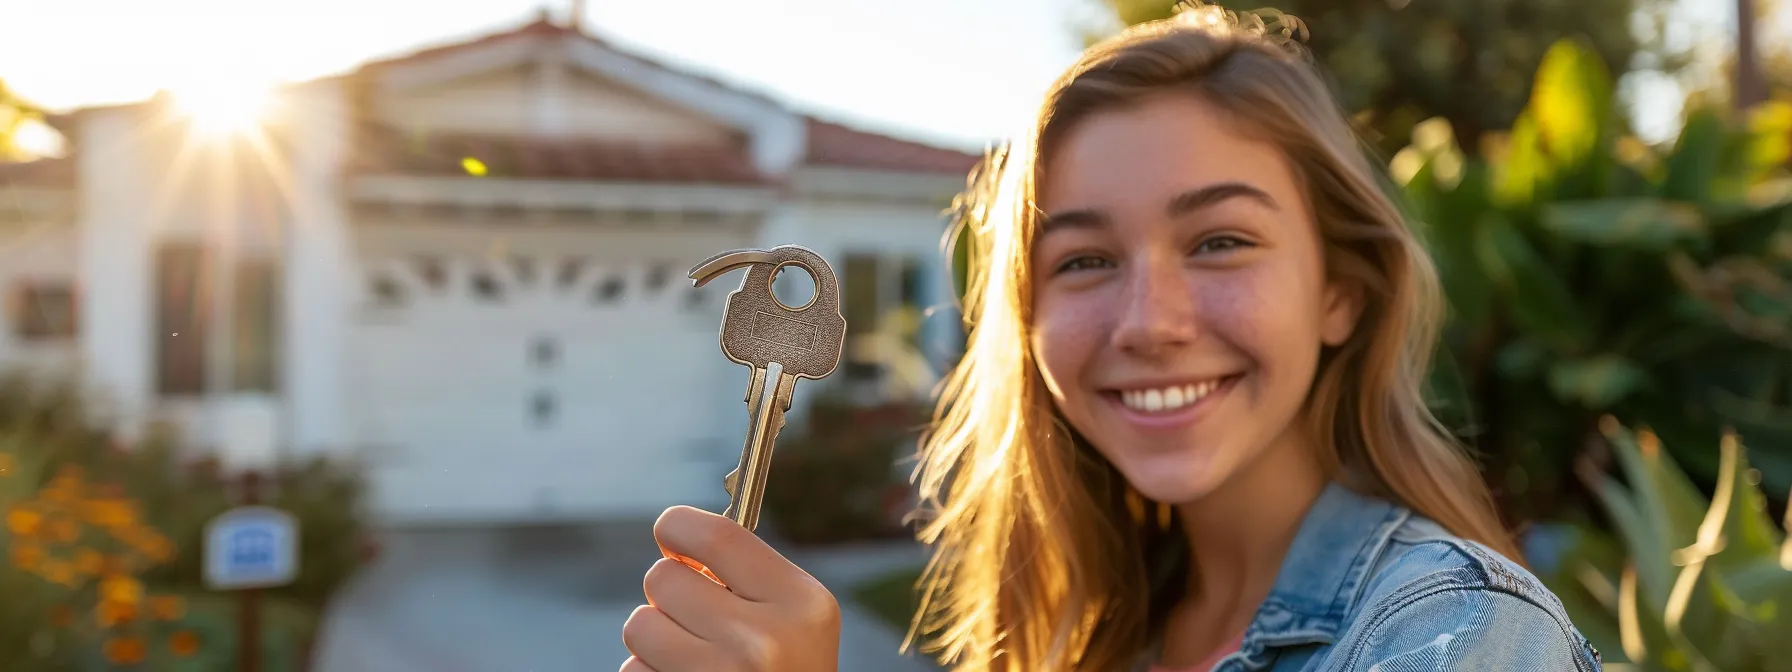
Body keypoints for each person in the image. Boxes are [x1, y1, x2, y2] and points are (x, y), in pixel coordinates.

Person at [619, 4, 1605, 671]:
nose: (1147, 323)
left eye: (1219, 242)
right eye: (1083, 260)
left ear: (1340, 294)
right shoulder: (1100, 630)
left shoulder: (1455, 633)